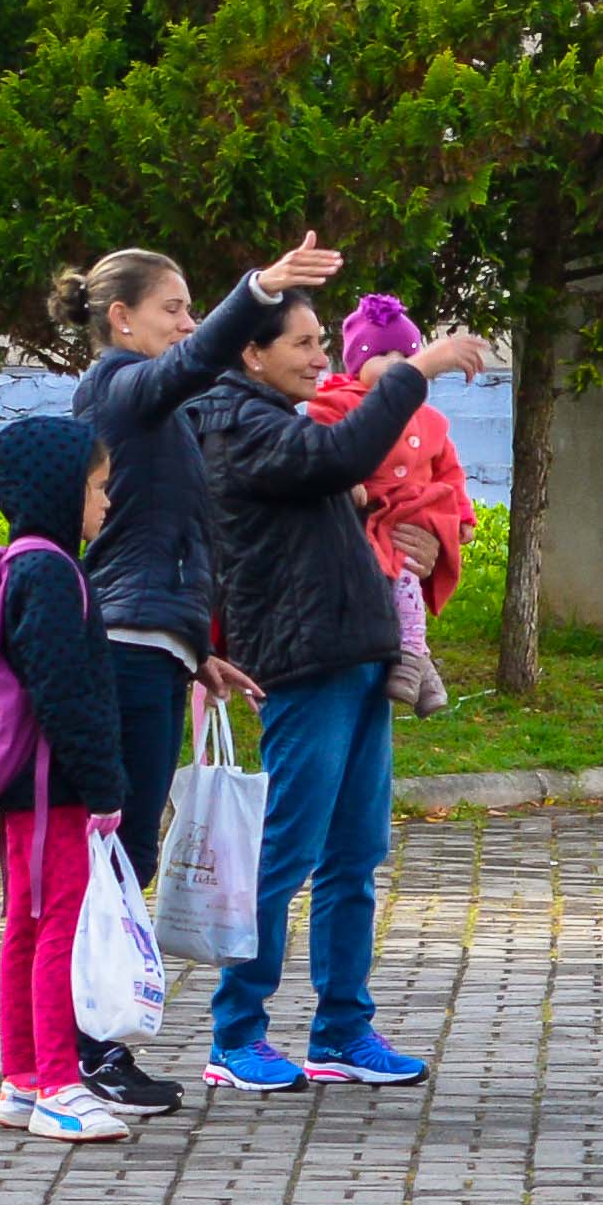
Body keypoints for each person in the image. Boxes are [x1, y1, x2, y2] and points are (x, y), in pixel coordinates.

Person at [187, 283, 490, 1092]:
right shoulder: (234, 422)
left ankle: (343, 1032)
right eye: (304, 345)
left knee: (356, 855)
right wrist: (416, 369)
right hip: (304, 661)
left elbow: (352, 491)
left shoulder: (280, 415)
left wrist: (413, 537)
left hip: (357, 651)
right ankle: (235, 1034)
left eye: (325, 342)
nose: (323, 359)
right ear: (252, 353)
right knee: (285, 854)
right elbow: (341, 458)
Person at [55, 239, 325, 1108]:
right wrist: (258, 293)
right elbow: (199, 360)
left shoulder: (155, 415)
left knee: (126, 854)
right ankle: (88, 1052)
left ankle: (91, 1050)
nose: (187, 321)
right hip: (126, 649)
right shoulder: (118, 387)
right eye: (173, 307)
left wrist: (195, 646)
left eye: (192, 304)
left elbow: (158, 536)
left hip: (151, 645)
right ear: (119, 318)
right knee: (120, 855)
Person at [0, 415, 152, 1143]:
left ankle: (21, 1079)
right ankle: (56, 1084)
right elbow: (64, 690)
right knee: (59, 931)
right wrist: (105, 783)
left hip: (27, 791)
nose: (106, 503)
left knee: (29, 925)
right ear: (59, 489)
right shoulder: (50, 571)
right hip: (55, 789)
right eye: (98, 488)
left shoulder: (24, 562)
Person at [311, 294, 476, 714]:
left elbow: (450, 473)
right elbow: (325, 447)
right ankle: (415, 661)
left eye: (407, 354)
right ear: (355, 364)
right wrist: (347, 482)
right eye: (383, 354)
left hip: (418, 513)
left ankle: (414, 658)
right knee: (395, 575)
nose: (397, 363)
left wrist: (463, 517)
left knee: (405, 572)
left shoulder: (431, 420)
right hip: (377, 515)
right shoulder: (338, 403)